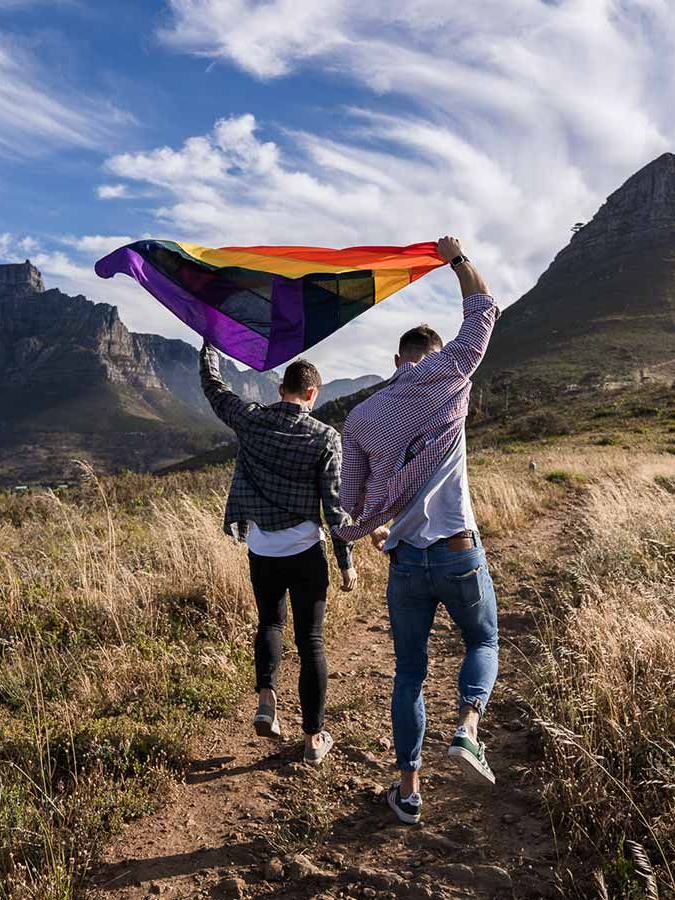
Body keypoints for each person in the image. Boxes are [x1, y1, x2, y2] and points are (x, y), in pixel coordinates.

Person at [334, 235, 500, 824]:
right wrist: (456, 257)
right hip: (458, 552)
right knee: (482, 642)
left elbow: (352, 498)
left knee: (408, 674)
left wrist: (375, 528)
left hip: (404, 561)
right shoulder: (451, 376)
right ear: (433, 355)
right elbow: (483, 309)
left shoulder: (361, 415)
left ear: (396, 362)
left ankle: (408, 790)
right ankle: (467, 729)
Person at [200, 342, 357, 765]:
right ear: (311, 394)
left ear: (281, 387)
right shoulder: (326, 437)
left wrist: (208, 347)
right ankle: (312, 738)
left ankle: (267, 701)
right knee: (311, 642)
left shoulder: (251, 420)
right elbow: (334, 506)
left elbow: (214, 390)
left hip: (261, 549)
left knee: (270, 622)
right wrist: (345, 562)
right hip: (306, 552)